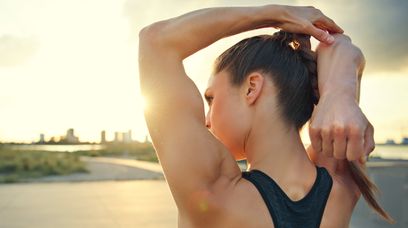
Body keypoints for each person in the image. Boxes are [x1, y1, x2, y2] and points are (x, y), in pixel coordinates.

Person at [138, 5, 392, 227]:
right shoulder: (341, 184)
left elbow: (156, 42)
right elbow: (340, 46)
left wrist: (274, 14)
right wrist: (339, 93)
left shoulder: (215, 192)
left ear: (251, 88)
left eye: (212, 99)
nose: (206, 120)